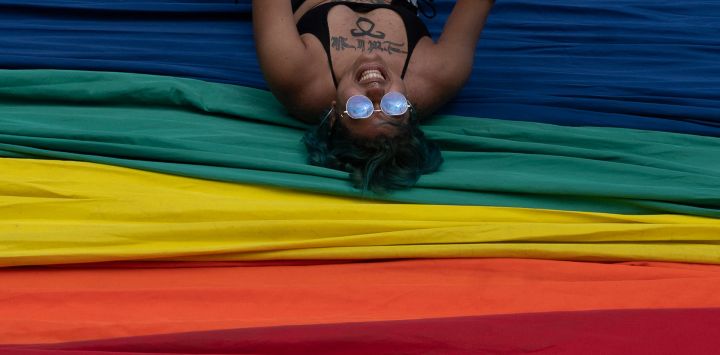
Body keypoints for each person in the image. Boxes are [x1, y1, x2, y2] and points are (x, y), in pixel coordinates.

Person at [253, 0, 494, 192]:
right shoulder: (438, 73)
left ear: (335, 116)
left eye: (359, 108)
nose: (376, 91)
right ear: (409, 110)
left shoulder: (296, 76)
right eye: (393, 105)